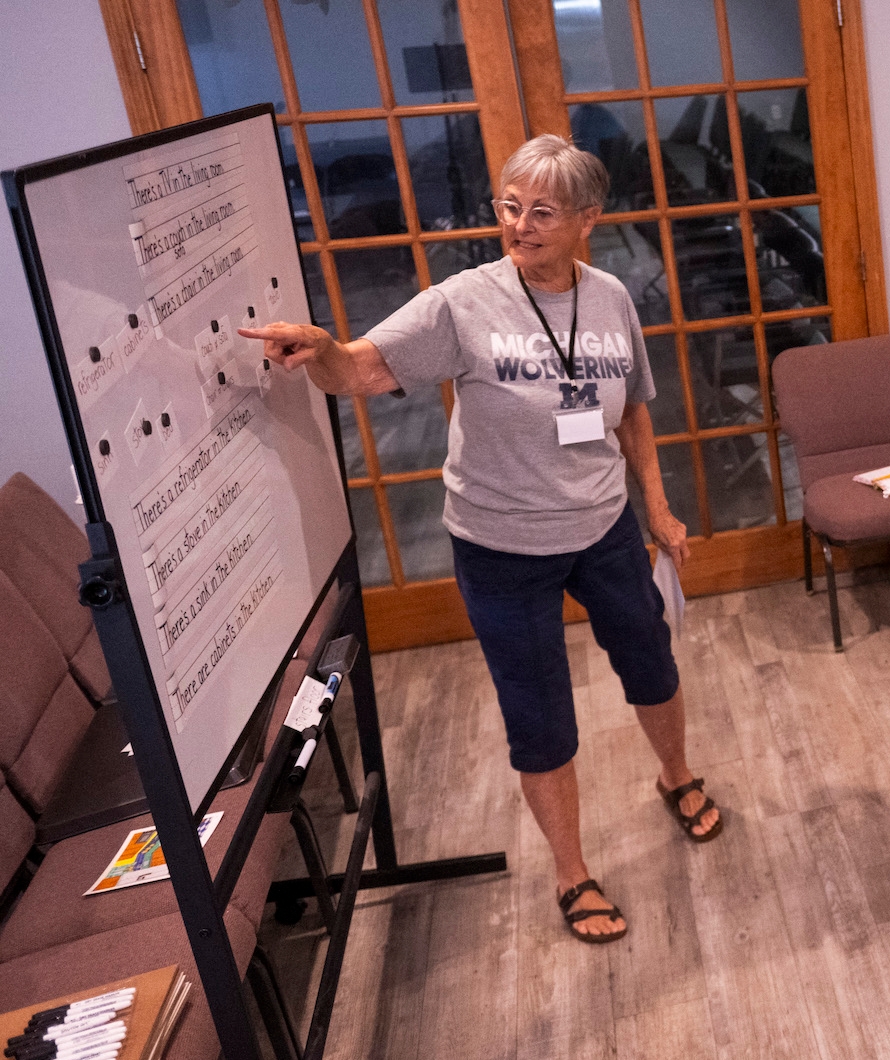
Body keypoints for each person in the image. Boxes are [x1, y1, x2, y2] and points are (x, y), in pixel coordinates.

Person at [239, 134, 719, 946]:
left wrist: (660, 510)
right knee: (539, 715)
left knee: (651, 660)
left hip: (602, 528)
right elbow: (358, 371)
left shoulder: (609, 298)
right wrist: (322, 349)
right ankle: (572, 873)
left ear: (586, 220)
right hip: (499, 548)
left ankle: (676, 775)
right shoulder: (462, 302)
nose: (519, 225)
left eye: (541, 212)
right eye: (509, 206)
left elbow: (634, 405)